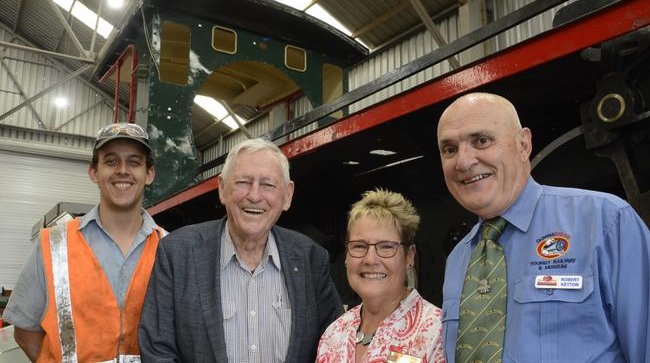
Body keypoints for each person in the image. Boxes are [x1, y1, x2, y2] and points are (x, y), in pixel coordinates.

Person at [437, 92, 650, 362]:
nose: (464, 162)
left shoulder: (605, 221)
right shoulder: (458, 259)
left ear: (523, 144)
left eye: (482, 141)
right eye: (449, 149)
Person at [138, 138, 343, 362]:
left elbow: (334, 346)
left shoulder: (311, 260)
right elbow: (157, 351)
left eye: (268, 185)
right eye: (243, 182)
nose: (254, 196)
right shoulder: (177, 253)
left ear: (287, 195)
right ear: (222, 189)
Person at [2, 122, 165, 362]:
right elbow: (25, 331)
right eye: (110, 161)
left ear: (149, 174)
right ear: (93, 172)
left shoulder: (169, 248)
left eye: (134, 162)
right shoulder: (54, 244)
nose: (122, 170)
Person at [316, 189, 445, 363]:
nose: (370, 259)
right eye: (359, 246)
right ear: (346, 256)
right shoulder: (334, 333)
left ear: (409, 256)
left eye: (386, 247)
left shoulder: (438, 332)